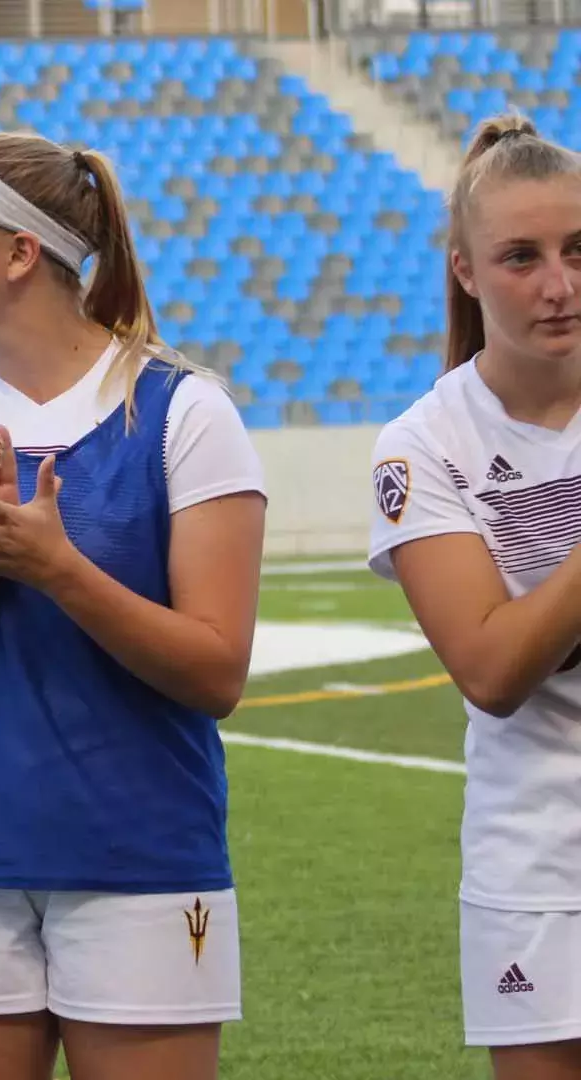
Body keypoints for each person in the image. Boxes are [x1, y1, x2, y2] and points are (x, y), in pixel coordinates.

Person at [0, 131, 269, 1080]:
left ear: (19, 253)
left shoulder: (187, 413)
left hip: (142, 867)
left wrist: (56, 566)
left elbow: (217, 670)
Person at [367, 114, 581, 1078]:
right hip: (540, 856)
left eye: (579, 251)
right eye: (521, 257)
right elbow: (491, 669)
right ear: (464, 271)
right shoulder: (424, 444)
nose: (559, 286)